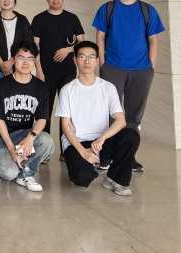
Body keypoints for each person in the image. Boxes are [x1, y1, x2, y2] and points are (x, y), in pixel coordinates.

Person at [92, 0, 165, 173]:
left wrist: (151, 65)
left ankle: (128, 157)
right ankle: (107, 155)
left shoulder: (147, 10)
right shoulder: (108, 8)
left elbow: (153, 40)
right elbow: (100, 36)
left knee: (134, 117)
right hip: (113, 68)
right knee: (111, 113)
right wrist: (103, 63)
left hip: (141, 70)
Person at [57, 41, 140, 196]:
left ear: (97, 61)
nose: (87, 61)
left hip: (101, 142)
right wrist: (83, 152)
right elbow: (66, 126)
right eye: (82, 57)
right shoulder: (67, 90)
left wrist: (102, 138)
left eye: (91, 57)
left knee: (131, 135)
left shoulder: (108, 87)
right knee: (82, 179)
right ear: (75, 60)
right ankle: (88, 165)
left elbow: (120, 120)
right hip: (77, 143)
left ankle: (116, 179)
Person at [0, 41, 54, 192]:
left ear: (35, 61)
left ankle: (26, 174)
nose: (25, 62)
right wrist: (11, 149)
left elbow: (42, 119)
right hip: (0, 139)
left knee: (47, 141)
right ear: (13, 59)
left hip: (23, 136)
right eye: (21, 57)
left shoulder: (41, 87)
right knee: (8, 174)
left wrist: (30, 138)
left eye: (30, 59)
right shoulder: (0, 85)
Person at [31, 0, 84, 137]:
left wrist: (68, 49)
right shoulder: (39, 19)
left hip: (68, 72)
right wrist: (38, 70)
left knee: (67, 111)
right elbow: (34, 47)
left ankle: (66, 146)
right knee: (44, 110)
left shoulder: (72, 18)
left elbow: (81, 43)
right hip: (45, 72)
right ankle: (44, 146)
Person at [0, 0, 37, 89]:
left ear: (14, 0)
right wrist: (2, 64)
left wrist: (11, 62)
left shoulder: (22, 20)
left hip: (19, 67)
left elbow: (28, 43)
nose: (6, 0)